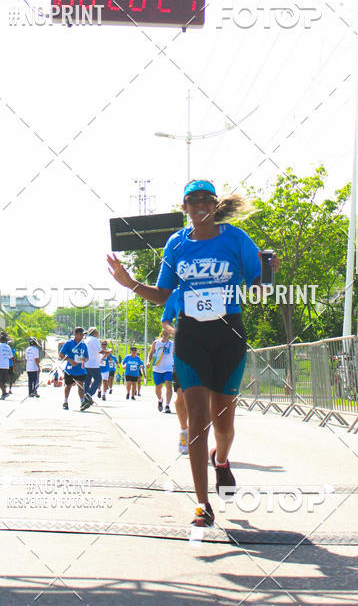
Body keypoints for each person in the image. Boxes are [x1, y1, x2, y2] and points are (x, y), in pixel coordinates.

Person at [108, 178, 276, 528]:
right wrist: (130, 284)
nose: (200, 205)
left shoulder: (235, 238)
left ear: (214, 205)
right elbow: (163, 294)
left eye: (206, 199)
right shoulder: (176, 243)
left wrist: (266, 272)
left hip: (228, 333)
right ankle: (202, 504)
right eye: (192, 200)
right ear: (184, 207)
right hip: (191, 334)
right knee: (198, 418)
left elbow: (258, 288)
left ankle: (223, 461)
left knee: (224, 423)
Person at [161, 290, 188, 454]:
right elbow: (165, 320)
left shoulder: (212, 286)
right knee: (181, 394)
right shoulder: (176, 293)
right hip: (183, 348)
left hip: (208, 348)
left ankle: (198, 434)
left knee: (205, 397)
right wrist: (173, 331)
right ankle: (184, 431)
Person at [59, 327, 91, 411]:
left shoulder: (83, 345)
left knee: (81, 386)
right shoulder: (69, 343)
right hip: (70, 369)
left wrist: (85, 360)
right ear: (75, 334)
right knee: (68, 385)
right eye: (80, 334)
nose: (81, 336)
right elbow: (61, 354)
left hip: (80, 369)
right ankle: (65, 402)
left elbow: (87, 357)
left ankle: (82, 402)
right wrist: (70, 360)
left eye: (83, 335)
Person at [147, 329, 175, 413]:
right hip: (157, 368)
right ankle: (160, 400)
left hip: (168, 368)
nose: (165, 333)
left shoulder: (172, 344)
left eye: (167, 332)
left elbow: (176, 355)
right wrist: (148, 361)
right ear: (161, 333)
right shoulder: (156, 342)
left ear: (169, 334)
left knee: (169, 386)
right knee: (158, 388)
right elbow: (150, 353)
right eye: (164, 332)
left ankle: (167, 405)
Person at [83, 327, 103, 402]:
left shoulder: (86, 339)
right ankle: (89, 394)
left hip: (86, 363)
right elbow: (100, 350)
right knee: (98, 379)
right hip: (93, 364)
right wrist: (107, 352)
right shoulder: (94, 340)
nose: (98, 333)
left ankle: (85, 395)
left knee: (87, 380)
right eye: (97, 332)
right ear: (94, 333)